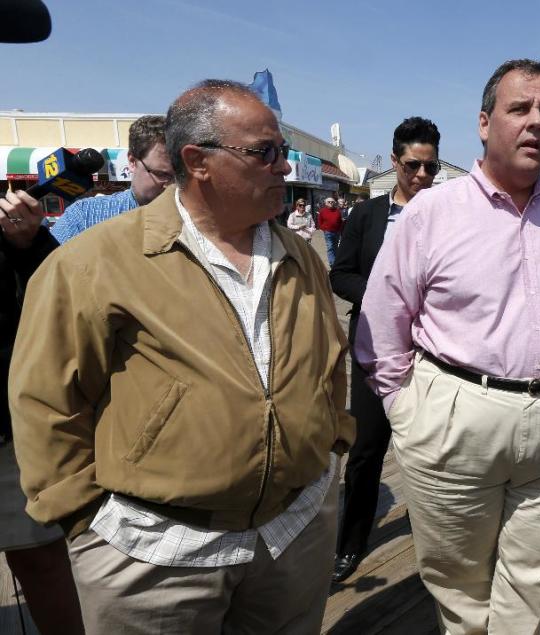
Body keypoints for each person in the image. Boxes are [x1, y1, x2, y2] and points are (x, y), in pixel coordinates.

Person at [10, 79, 355, 633]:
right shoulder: (94, 262)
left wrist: (332, 444)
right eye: (264, 153)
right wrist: (85, 521)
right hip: (154, 553)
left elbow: (329, 363)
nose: (284, 169)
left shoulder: (300, 256)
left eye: (282, 153)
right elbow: (45, 400)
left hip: (292, 534)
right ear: (197, 161)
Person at [355, 59, 540, 634]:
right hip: (455, 419)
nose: (536, 123)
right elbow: (381, 320)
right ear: (483, 122)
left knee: (534, 574)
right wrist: (405, 408)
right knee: (459, 581)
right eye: (519, 108)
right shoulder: (431, 212)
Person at [329, 116, 441, 583]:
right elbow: (341, 273)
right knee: (366, 451)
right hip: (375, 348)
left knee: (437, 453)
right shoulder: (368, 215)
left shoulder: (447, 212)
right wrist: (383, 292)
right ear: (394, 161)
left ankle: (442, 544)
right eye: (412, 165)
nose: (421, 176)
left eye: (430, 168)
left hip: (432, 355)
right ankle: (350, 543)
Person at [1, 189, 84, 634]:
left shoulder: (11, 221)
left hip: (10, 428)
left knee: (41, 558)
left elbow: (53, 295)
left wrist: (26, 241)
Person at [52, 115, 172, 243]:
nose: (173, 185)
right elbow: (49, 262)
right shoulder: (84, 218)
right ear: (132, 162)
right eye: (161, 174)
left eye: (181, 175)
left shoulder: (191, 221)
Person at [317, 196, 343, 266]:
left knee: (335, 247)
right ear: (325, 203)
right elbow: (320, 221)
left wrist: (340, 229)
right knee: (330, 247)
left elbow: (340, 221)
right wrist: (324, 228)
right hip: (328, 232)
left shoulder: (337, 211)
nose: (331, 203)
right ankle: (332, 263)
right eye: (329, 202)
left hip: (337, 232)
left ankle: (336, 260)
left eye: (332, 202)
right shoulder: (322, 211)